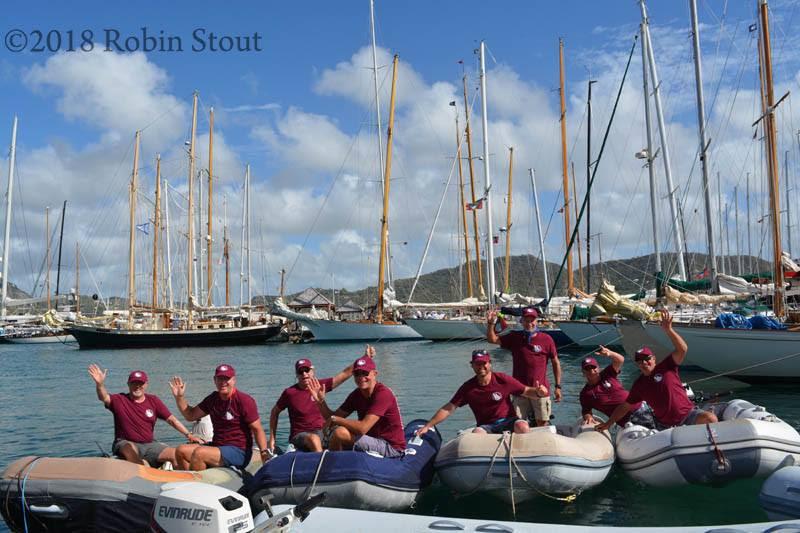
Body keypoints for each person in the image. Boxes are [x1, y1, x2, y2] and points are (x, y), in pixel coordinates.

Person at [596, 310, 718, 432]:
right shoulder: (639, 385)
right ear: (637, 364)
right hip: (666, 425)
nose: (644, 362)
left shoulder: (667, 366)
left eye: (646, 359)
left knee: (710, 418)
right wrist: (608, 423)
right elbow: (625, 406)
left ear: (653, 359)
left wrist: (669, 330)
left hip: (688, 415)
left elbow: (682, 349)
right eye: (639, 361)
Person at [268, 345, 376, 453]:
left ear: (312, 371)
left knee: (341, 432)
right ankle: (322, 465)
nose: (304, 374)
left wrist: (365, 358)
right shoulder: (289, 393)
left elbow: (344, 374)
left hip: (322, 431)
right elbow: (274, 412)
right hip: (300, 434)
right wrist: (272, 439)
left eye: (307, 370)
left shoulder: (320, 386)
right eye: (300, 372)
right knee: (314, 439)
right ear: (297, 375)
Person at [88, 364, 201, 466]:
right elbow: (103, 397)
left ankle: (181, 480)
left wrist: (188, 434)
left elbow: (172, 420)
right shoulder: (119, 399)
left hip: (150, 444)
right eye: (134, 383)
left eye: (140, 383)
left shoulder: (153, 400)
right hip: (125, 443)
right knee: (129, 450)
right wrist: (100, 384)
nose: (137, 386)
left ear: (146, 385)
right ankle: (143, 474)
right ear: (128, 384)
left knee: (177, 455)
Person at [416, 349, 549, 436]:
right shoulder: (468, 387)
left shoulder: (502, 379)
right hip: (486, 426)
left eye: (484, 363)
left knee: (523, 426)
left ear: (489, 364)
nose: (481, 367)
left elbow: (526, 391)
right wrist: (428, 426)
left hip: (509, 421)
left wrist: (538, 393)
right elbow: (449, 408)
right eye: (477, 364)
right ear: (472, 365)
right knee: (477, 434)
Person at [169, 364, 269, 471]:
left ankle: (200, 484)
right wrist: (179, 397)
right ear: (214, 380)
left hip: (240, 451)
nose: (223, 382)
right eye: (220, 378)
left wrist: (263, 452)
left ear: (234, 380)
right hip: (217, 447)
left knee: (200, 453)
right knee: (181, 451)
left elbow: (257, 429)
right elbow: (190, 415)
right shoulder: (213, 399)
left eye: (227, 379)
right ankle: (189, 480)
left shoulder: (244, 400)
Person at [307, 356, 405, 458]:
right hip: (370, 440)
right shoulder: (356, 395)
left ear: (375, 374)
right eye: (357, 374)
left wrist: (336, 420)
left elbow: (362, 428)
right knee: (339, 431)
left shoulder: (383, 394)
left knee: (340, 432)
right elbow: (332, 417)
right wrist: (321, 402)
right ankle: (335, 464)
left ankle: (333, 467)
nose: (361, 378)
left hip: (390, 446)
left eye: (365, 373)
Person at [486, 307, 562, 426]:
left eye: (532, 320)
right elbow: (492, 339)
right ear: (521, 321)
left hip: (540, 390)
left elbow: (555, 362)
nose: (529, 323)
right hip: (519, 390)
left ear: (536, 321)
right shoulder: (514, 337)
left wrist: (558, 386)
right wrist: (491, 323)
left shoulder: (547, 339)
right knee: (518, 424)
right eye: (526, 320)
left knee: (542, 423)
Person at [578, 347, 654, 428]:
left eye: (593, 367)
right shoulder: (585, 394)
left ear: (598, 368)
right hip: (624, 420)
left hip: (640, 408)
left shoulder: (607, 373)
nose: (592, 371)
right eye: (587, 368)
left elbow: (620, 360)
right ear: (583, 372)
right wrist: (588, 417)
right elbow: (586, 410)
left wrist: (610, 353)